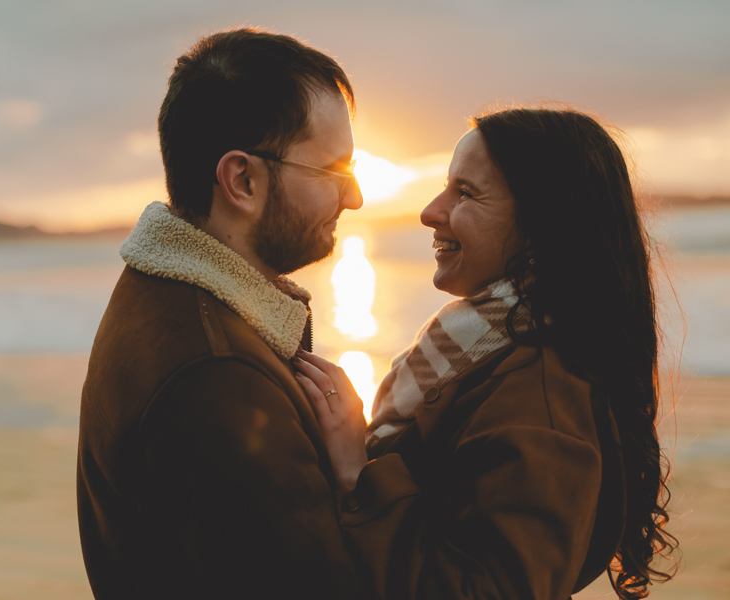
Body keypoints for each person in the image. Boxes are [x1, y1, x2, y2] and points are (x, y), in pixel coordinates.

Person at [293, 108, 678, 600]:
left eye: (465, 193)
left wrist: (358, 474)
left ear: (542, 227)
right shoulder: (482, 356)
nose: (431, 211)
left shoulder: (542, 396)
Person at [76, 28, 364, 599]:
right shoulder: (218, 378)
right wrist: (361, 480)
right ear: (242, 180)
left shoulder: (156, 293)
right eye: (335, 171)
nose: (354, 198)